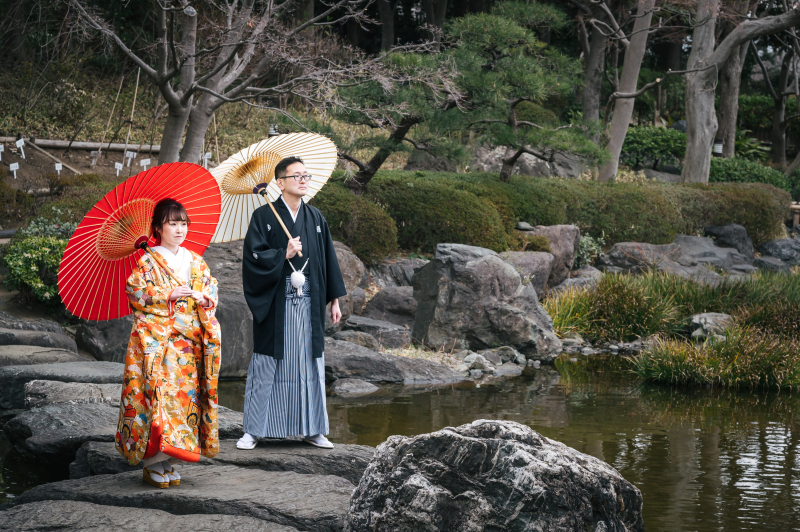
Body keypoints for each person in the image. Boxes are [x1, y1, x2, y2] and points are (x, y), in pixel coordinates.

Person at [237, 156, 346, 451]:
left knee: (309, 363)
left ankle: (313, 429)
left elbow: (327, 261)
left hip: (309, 301)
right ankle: (255, 430)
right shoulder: (263, 217)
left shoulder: (316, 218)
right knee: (270, 361)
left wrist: (334, 299)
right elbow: (252, 259)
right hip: (277, 301)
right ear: (280, 182)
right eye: (296, 175)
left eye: (306, 175)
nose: (303, 180)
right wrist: (281, 253)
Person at [115, 198, 222, 488]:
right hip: (161, 346)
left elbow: (211, 289)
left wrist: (203, 298)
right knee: (159, 400)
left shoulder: (195, 260)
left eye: (183, 223)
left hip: (189, 347)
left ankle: (170, 460)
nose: (179, 229)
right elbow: (136, 293)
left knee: (184, 402)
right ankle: (153, 463)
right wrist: (168, 296)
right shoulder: (148, 261)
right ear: (157, 228)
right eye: (172, 223)